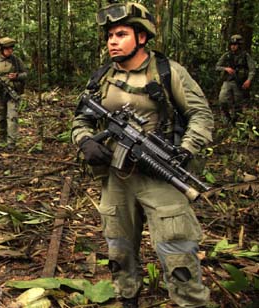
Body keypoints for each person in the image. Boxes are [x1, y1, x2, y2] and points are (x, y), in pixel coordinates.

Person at [71, 2, 213, 307]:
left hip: (160, 175)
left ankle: (190, 301)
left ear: (142, 37)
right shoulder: (101, 78)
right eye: (109, 35)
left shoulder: (167, 72)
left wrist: (185, 150)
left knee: (178, 253)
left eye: (121, 34)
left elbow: (201, 114)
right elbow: (80, 119)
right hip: (116, 178)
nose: (112, 41)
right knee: (119, 251)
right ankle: (127, 299)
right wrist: (85, 141)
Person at [0, 37, 27, 149]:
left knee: (12, 117)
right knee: (1, 117)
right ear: (1, 49)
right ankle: (2, 138)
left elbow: (25, 74)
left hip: (12, 92)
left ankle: (11, 142)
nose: (10, 50)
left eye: (11, 48)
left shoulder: (17, 61)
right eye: (7, 48)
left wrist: (16, 76)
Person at [215, 34, 256, 124]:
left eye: (235, 44)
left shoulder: (245, 56)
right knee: (222, 100)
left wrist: (248, 80)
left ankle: (236, 122)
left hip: (239, 82)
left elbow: (252, 70)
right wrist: (226, 68)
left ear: (239, 45)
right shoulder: (227, 55)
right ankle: (226, 118)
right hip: (228, 81)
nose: (233, 46)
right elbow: (217, 66)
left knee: (238, 104)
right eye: (232, 44)